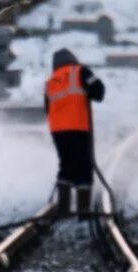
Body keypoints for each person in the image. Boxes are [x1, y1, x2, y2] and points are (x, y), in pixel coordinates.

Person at [43, 47, 105, 213]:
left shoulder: (50, 81)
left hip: (58, 131)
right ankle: (83, 210)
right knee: (84, 166)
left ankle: (63, 208)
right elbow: (99, 91)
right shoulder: (80, 71)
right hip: (78, 126)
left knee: (67, 165)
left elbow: (47, 109)